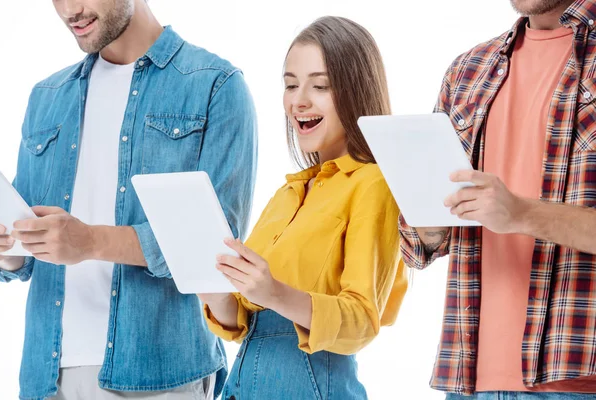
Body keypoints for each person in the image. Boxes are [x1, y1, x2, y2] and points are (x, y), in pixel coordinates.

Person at [0, 0, 257, 399]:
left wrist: (91, 241)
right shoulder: (47, 97)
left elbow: (217, 251)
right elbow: (24, 254)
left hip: (158, 376)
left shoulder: (215, 86)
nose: (70, 10)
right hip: (46, 376)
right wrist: (6, 248)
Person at [198, 16, 408, 400]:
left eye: (320, 86)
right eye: (291, 84)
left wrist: (274, 292)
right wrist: (211, 289)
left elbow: (363, 321)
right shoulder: (288, 193)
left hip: (312, 384)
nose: (299, 100)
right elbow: (243, 319)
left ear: (356, 90)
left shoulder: (373, 183)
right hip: (242, 383)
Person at [399, 0, 596, 398]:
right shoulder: (469, 70)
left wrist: (521, 213)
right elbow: (417, 244)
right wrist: (432, 223)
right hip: (469, 381)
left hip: (577, 382)